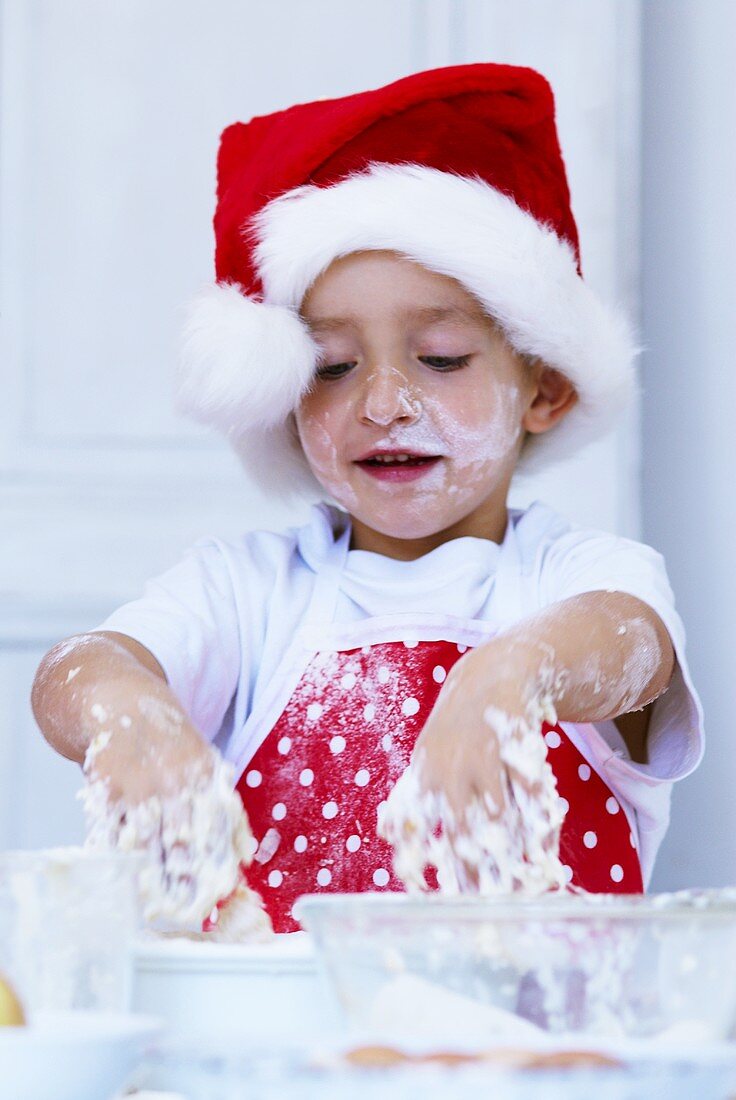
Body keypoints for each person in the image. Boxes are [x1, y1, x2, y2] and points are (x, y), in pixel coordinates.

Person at [31, 63, 702, 934]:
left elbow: (631, 644)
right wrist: (123, 708)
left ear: (545, 388)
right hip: (287, 1060)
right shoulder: (251, 592)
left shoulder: (572, 581)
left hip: (536, 1060)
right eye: (333, 366)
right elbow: (76, 672)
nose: (384, 402)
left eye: (443, 357)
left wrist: (511, 674)